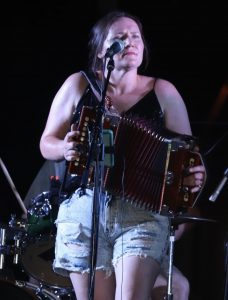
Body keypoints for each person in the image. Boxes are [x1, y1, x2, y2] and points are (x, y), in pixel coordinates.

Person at [39, 10, 205, 300]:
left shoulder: (163, 91)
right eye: (120, 38)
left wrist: (195, 176)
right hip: (84, 209)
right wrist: (64, 148)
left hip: (141, 213)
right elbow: (46, 142)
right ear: (102, 49)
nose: (131, 43)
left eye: (136, 37)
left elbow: (189, 158)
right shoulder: (79, 85)